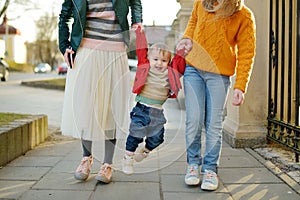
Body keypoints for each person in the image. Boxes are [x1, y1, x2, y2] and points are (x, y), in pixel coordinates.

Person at [58, 0, 143, 183]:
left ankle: (107, 164)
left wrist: (137, 20)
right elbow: (64, 15)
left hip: (115, 50)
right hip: (85, 49)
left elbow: (135, 1)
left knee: (110, 108)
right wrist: (64, 45)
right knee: (86, 106)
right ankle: (86, 158)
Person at [176, 0, 256, 191]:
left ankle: (210, 168)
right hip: (193, 70)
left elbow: (247, 53)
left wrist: (240, 86)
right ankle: (193, 165)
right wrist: (187, 38)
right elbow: (193, 24)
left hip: (219, 76)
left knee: (214, 123)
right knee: (194, 120)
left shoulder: (243, 15)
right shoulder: (200, 3)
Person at [122, 26, 186, 175]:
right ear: (149, 59)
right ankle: (128, 158)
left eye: (164, 60)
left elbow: (179, 63)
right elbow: (141, 49)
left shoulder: (170, 73)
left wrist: (182, 49)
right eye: (155, 59)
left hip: (157, 113)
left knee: (158, 138)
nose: (159, 63)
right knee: (135, 134)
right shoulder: (145, 67)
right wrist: (140, 33)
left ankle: (145, 150)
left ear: (168, 62)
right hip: (141, 109)